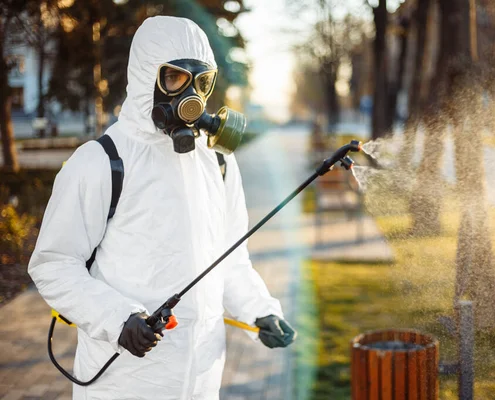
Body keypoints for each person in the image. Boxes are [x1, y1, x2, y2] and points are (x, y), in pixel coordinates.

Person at [28, 16, 295, 399]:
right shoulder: (102, 161)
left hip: (202, 378)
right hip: (124, 382)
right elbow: (53, 263)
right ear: (144, 77)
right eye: (175, 78)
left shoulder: (217, 162)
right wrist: (118, 319)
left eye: (202, 82)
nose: (192, 98)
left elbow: (230, 259)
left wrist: (259, 310)